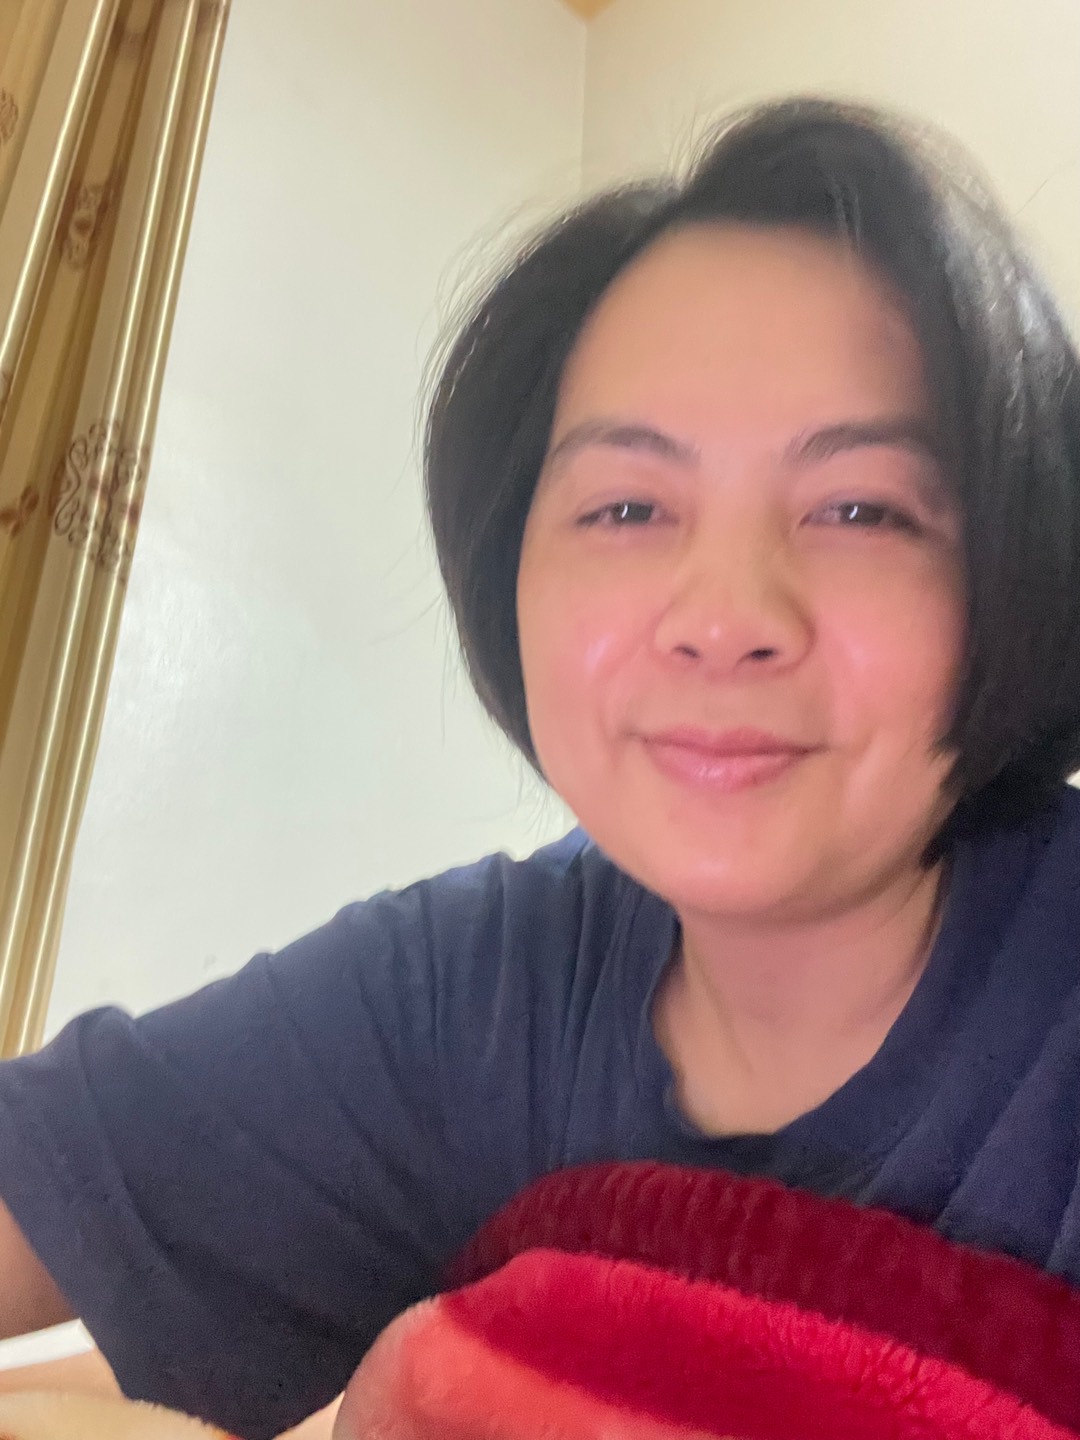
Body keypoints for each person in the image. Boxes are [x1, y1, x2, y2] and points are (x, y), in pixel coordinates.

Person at [1, 96, 1080, 1440]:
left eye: (860, 508)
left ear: (1011, 578)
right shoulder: (475, 989)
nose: (726, 616)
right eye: (627, 506)